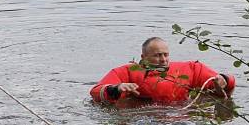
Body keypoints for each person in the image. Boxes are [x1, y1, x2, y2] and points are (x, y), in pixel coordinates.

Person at [90, 37, 236, 104]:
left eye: (166, 55)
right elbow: (96, 92)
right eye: (157, 55)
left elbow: (224, 81)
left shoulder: (190, 69)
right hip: (144, 121)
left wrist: (224, 79)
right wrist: (116, 88)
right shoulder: (127, 71)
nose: (163, 59)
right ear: (144, 57)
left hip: (180, 120)